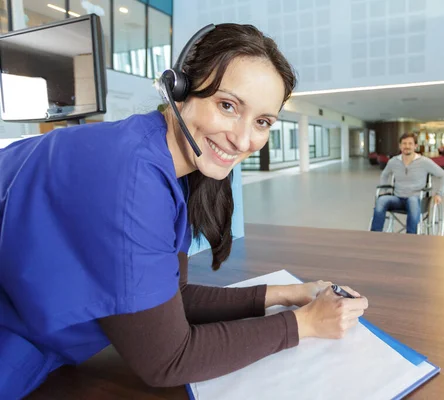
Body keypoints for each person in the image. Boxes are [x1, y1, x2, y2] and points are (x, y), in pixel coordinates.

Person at [0, 23, 369, 398]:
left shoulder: (167, 165)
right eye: (227, 105)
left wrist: (288, 294)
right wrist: (305, 323)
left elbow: (163, 298)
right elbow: (168, 360)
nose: (243, 140)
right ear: (177, 90)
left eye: (262, 122)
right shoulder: (130, 177)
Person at [370, 133, 444, 234]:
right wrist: (384, 191)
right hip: (398, 199)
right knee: (381, 200)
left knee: (412, 201)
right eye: (404, 143)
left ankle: (411, 238)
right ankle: (374, 235)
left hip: (417, 200)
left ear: (415, 146)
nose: (407, 146)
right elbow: (384, 175)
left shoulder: (424, 162)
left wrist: (439, 193)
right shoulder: (393, 161)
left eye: (410, 143)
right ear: (400, 146)